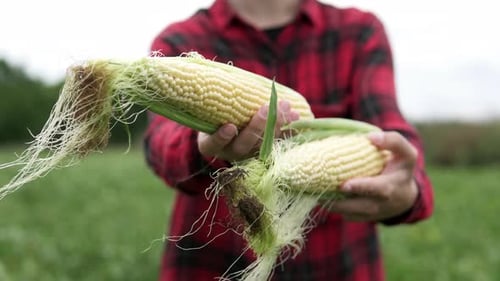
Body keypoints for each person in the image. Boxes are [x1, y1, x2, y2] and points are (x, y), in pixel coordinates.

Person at [144, 0, 434, 280]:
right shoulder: (178, 41)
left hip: (338, 264)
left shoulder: (359, 32)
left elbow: (390, 132)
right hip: (215, 264)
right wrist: (201, 146)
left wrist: (407, 191)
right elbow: (160, 144)